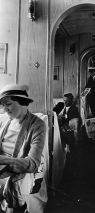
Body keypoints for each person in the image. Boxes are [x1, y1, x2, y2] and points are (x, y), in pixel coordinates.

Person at [0, 84, 47, 213]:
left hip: (20, 174)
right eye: (2, 105)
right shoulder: (5, 122)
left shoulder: (37, 125)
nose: (4, 109)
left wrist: (4, 161)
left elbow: (32, 164)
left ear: (22, 102)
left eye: (8, 104)